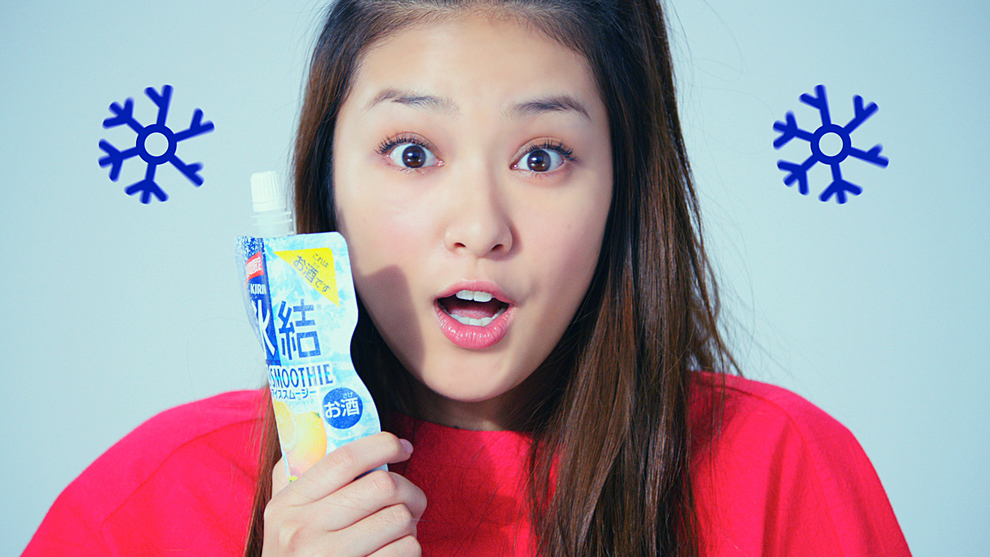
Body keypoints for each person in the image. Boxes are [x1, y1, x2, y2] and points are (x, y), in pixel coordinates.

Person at [23, 0, 913, 556]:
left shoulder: (783, 472)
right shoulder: (147, 508)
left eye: (543, 156)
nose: (481, 227)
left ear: (624, 184)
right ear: (327, 178)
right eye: (413, 153)